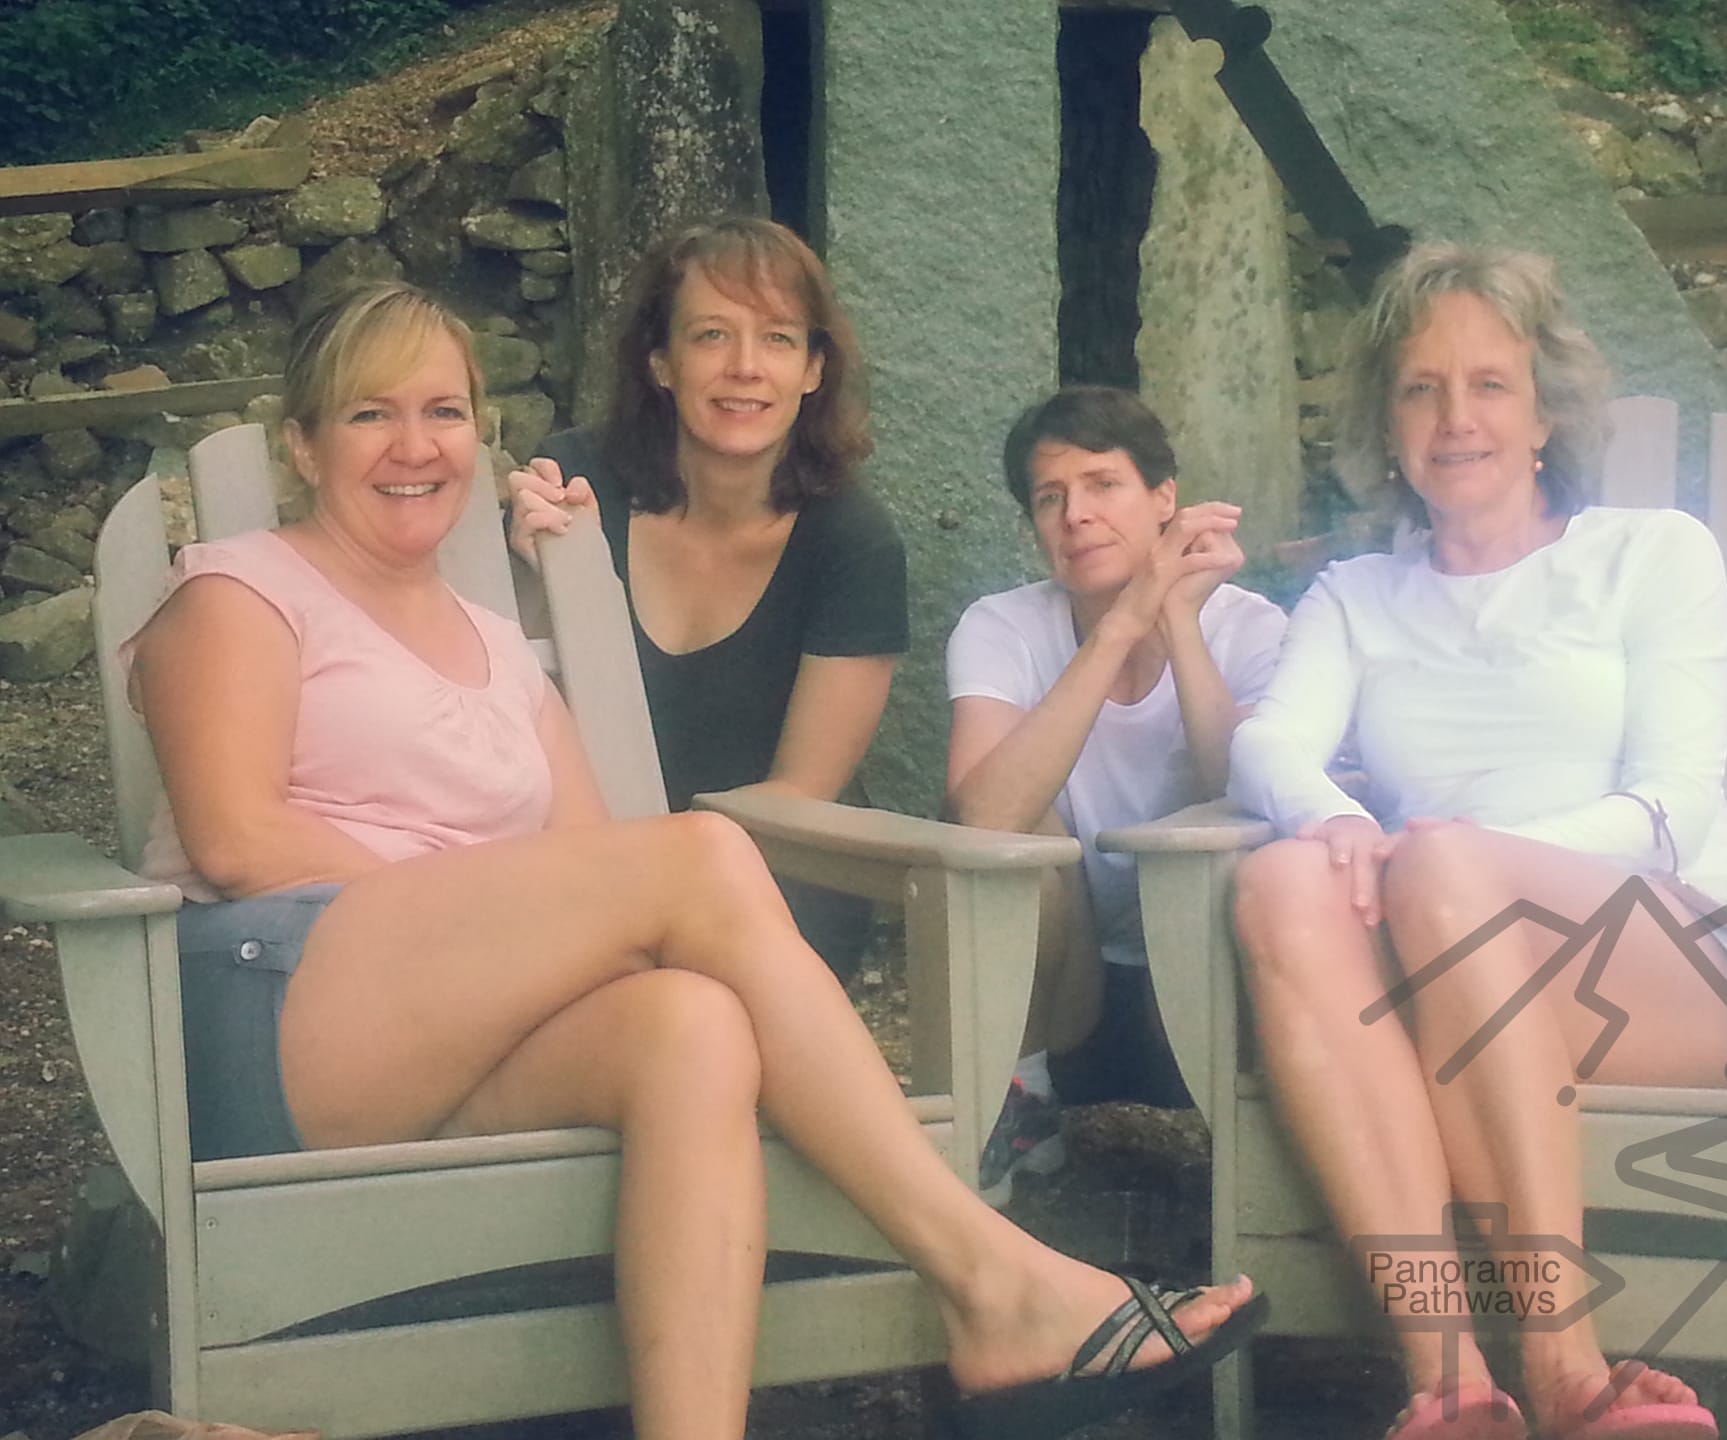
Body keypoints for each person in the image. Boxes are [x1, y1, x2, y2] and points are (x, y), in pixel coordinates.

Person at [124, 281, 1264, 1440]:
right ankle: (992, 1277)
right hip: (275, 1014)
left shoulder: (492, 643)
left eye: (446, 413)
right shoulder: (241, 589)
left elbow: (579, 856)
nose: (416, 447)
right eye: (371, 416)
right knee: (697, 857)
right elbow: (238, 838)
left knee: (690, 1027)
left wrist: (515, 930)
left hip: (453, 1035)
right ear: (302, 445)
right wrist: (492, 909)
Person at [1228, 243, 1727, 1440]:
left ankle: (1565, 1371)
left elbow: (1673, 810)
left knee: (1442, 867)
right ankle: (1449, 1383)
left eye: (1489, 384)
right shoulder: (1355, 598)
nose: (1456, 419)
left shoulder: (1649, 555)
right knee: (1284, 881)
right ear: (1385, 421)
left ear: (1544, 410)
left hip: (1691, 980)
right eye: (1421, 388)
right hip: (1465, 990)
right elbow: (1268, 749)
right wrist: (1342, 821)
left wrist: (1469, 859)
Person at [506, 216, 904, 976]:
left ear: (814, 370)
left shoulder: (853, 542)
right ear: (661, 362)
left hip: (769, 886)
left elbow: (802, 794)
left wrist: (659, 878)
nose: (745, 367)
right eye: (712, 336)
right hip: (579, 869)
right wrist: (533, 573)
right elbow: (506, 710)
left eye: (780, 339)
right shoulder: (574, 481)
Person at [946, 386, 1288, 1204]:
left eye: (1103, 485)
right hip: (1063, 998)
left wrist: (1178, 626)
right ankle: (1020, 1105)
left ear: (1164, 499)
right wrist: (1118, 629)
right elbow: (983, 816)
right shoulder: (1001, 626)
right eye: (1050, 498)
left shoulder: (1256, 627)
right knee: (1019, 809)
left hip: (1210, 988)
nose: (1076, 516)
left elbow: (1245, 793)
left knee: (1271, 832)